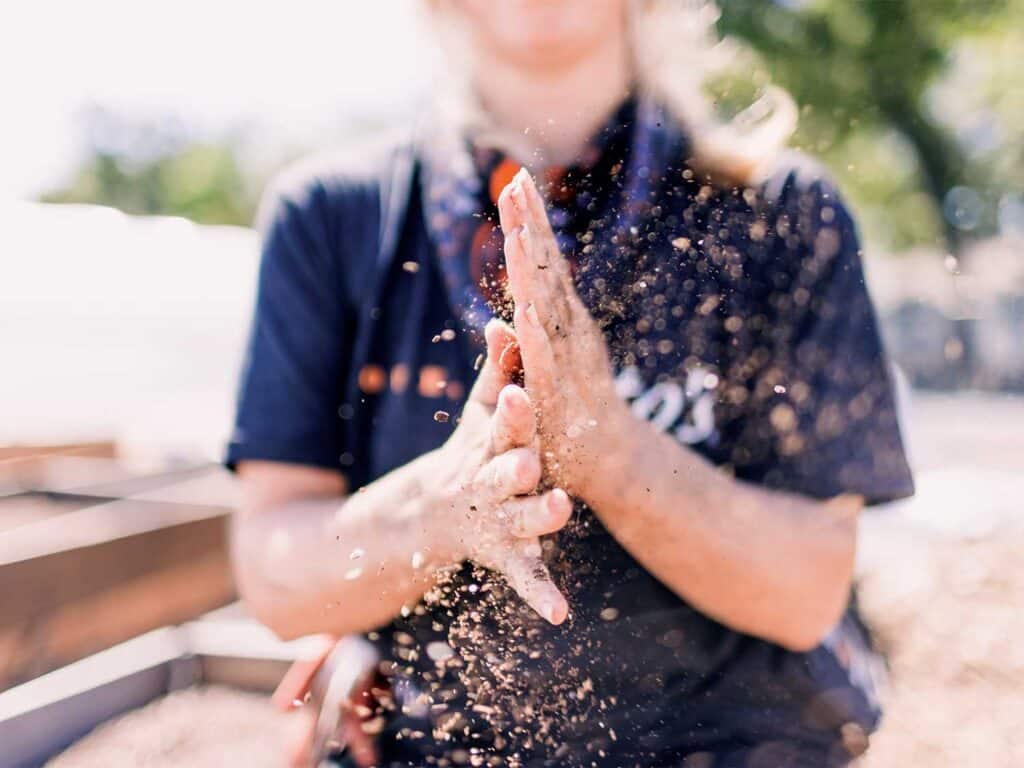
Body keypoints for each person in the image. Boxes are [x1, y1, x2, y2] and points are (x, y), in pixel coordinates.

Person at [226, 1, 914, 766]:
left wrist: (612, 454)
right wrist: (444, 507)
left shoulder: (781, 216)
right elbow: (275, 577)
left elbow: (807, 592)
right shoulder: (329, 218)